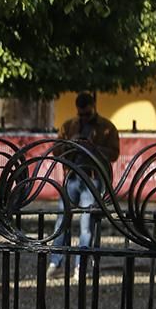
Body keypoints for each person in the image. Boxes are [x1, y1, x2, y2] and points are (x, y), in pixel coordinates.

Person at [47, 92, 120, 278]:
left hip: (92, 178)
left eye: (87, 114)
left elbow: (114, 153)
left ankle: (82, 265)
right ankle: (56, 263)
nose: (84, 118)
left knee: (87, 224)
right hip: (71, 177)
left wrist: (93, 148)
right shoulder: (69, 126)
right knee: (62, 221)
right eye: (81, 115)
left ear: (94, 107)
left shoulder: (106, 127)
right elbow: (56, 150)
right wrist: (69, 145)